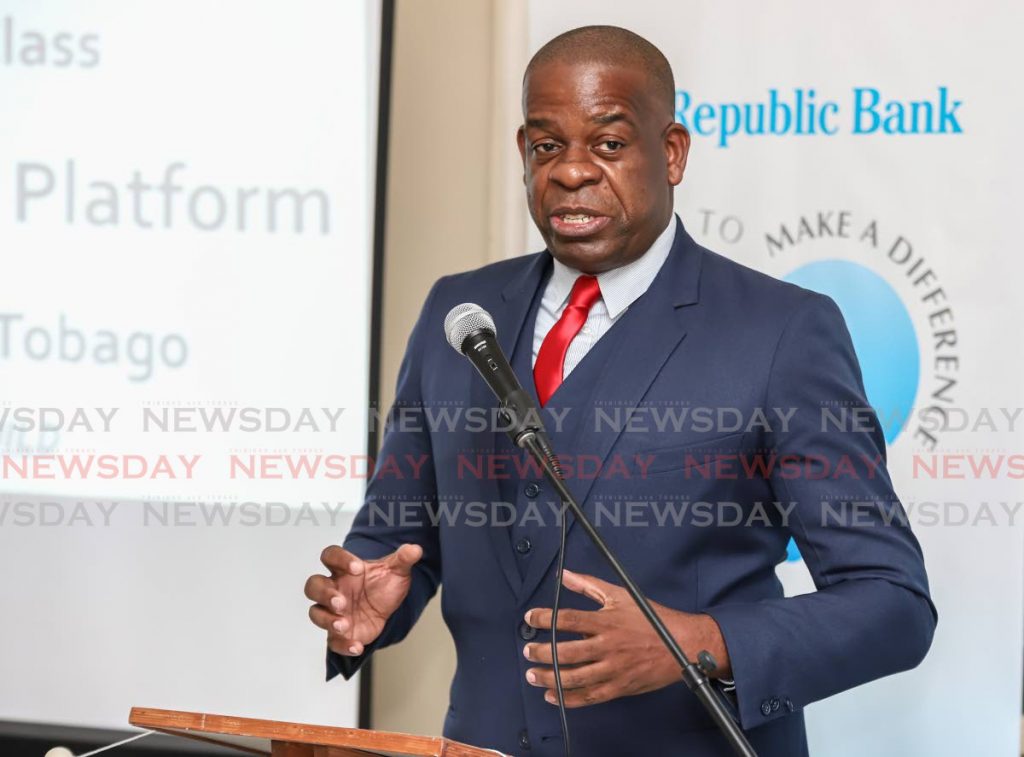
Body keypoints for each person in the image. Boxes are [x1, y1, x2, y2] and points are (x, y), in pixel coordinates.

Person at [304, 25, 936, 757]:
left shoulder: (783, 332)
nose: (572, 172)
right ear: (523, 154)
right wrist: (374, 598)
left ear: (671, 152)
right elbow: (397, 541)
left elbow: (893, 604)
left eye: (607, 144)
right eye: (547, 147)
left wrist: (695, 642)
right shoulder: (461, 316)